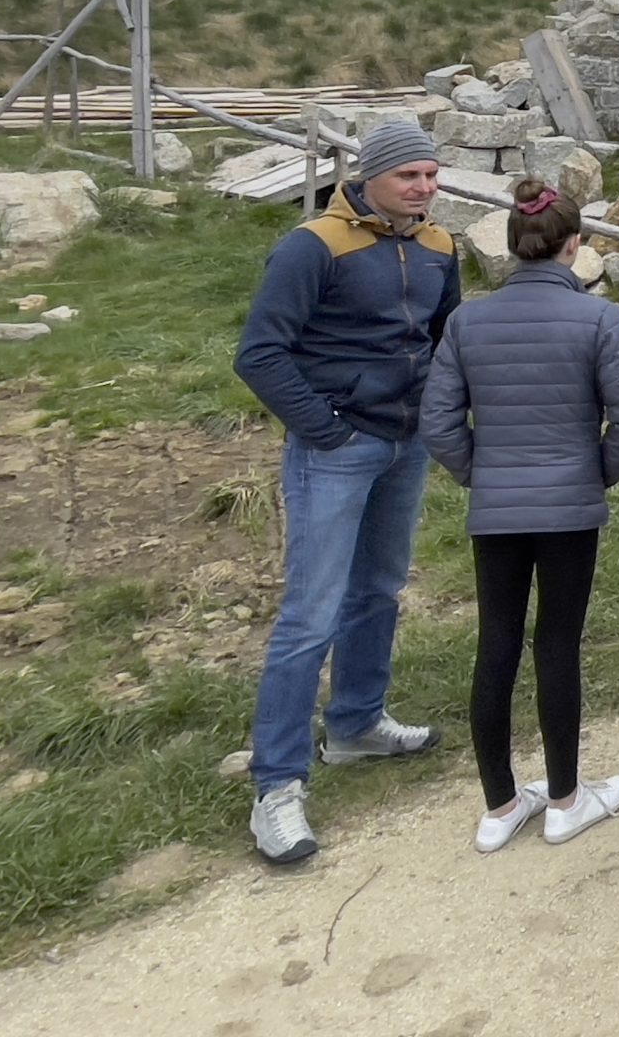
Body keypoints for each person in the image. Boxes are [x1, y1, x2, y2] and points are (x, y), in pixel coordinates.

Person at [234, 119, 461, 866]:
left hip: (406, 443)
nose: (424, 188)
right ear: (368, 179)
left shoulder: (439, 245)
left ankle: (358, 725)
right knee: (310, 614)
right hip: (336, 448)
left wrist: (439, 415)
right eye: (409, 176)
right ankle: (277, 786)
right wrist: (324, 431)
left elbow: (445, 339)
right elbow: (259, 353)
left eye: (431, 175)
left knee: (380, 589)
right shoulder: (314, 246)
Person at [421, 176, 619, 852]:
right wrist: (599, 471)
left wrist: (477, 473)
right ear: (574, 244)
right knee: (557, 642)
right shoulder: (599, 320)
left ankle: (499, 805)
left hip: (497, 504)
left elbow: (438, 420)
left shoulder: (467, 321)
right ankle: (565, 799)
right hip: (568, 505)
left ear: (510, 246)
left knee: (495, 641)